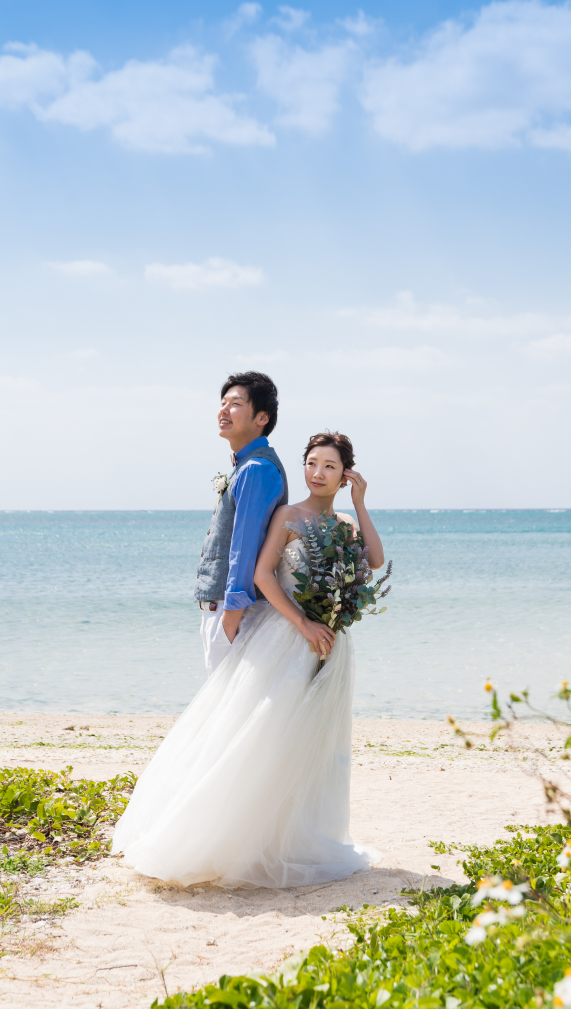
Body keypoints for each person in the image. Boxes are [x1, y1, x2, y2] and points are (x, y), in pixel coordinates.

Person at [111, 431, 385, 889]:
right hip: (286, 638)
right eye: (312, 463)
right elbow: (262, 574)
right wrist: (303, 624)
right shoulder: (288, 514)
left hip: (332, 647)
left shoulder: (344, 524)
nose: (317, 473)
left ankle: (298, 837)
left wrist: (359, 504)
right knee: (265, 737)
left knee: (318, 747)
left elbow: (375, 562)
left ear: (345, 475)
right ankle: (243, 840)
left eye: (330, 467)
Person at [195, 372, 288, 675]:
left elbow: (244, 548)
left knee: (224, 709)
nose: (223, 410)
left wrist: (230, 618)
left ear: (262, 416)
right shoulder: (246, 467)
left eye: (235, 403)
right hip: (227, 610)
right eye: (222, 403)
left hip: (234, 612)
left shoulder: (257, 469)